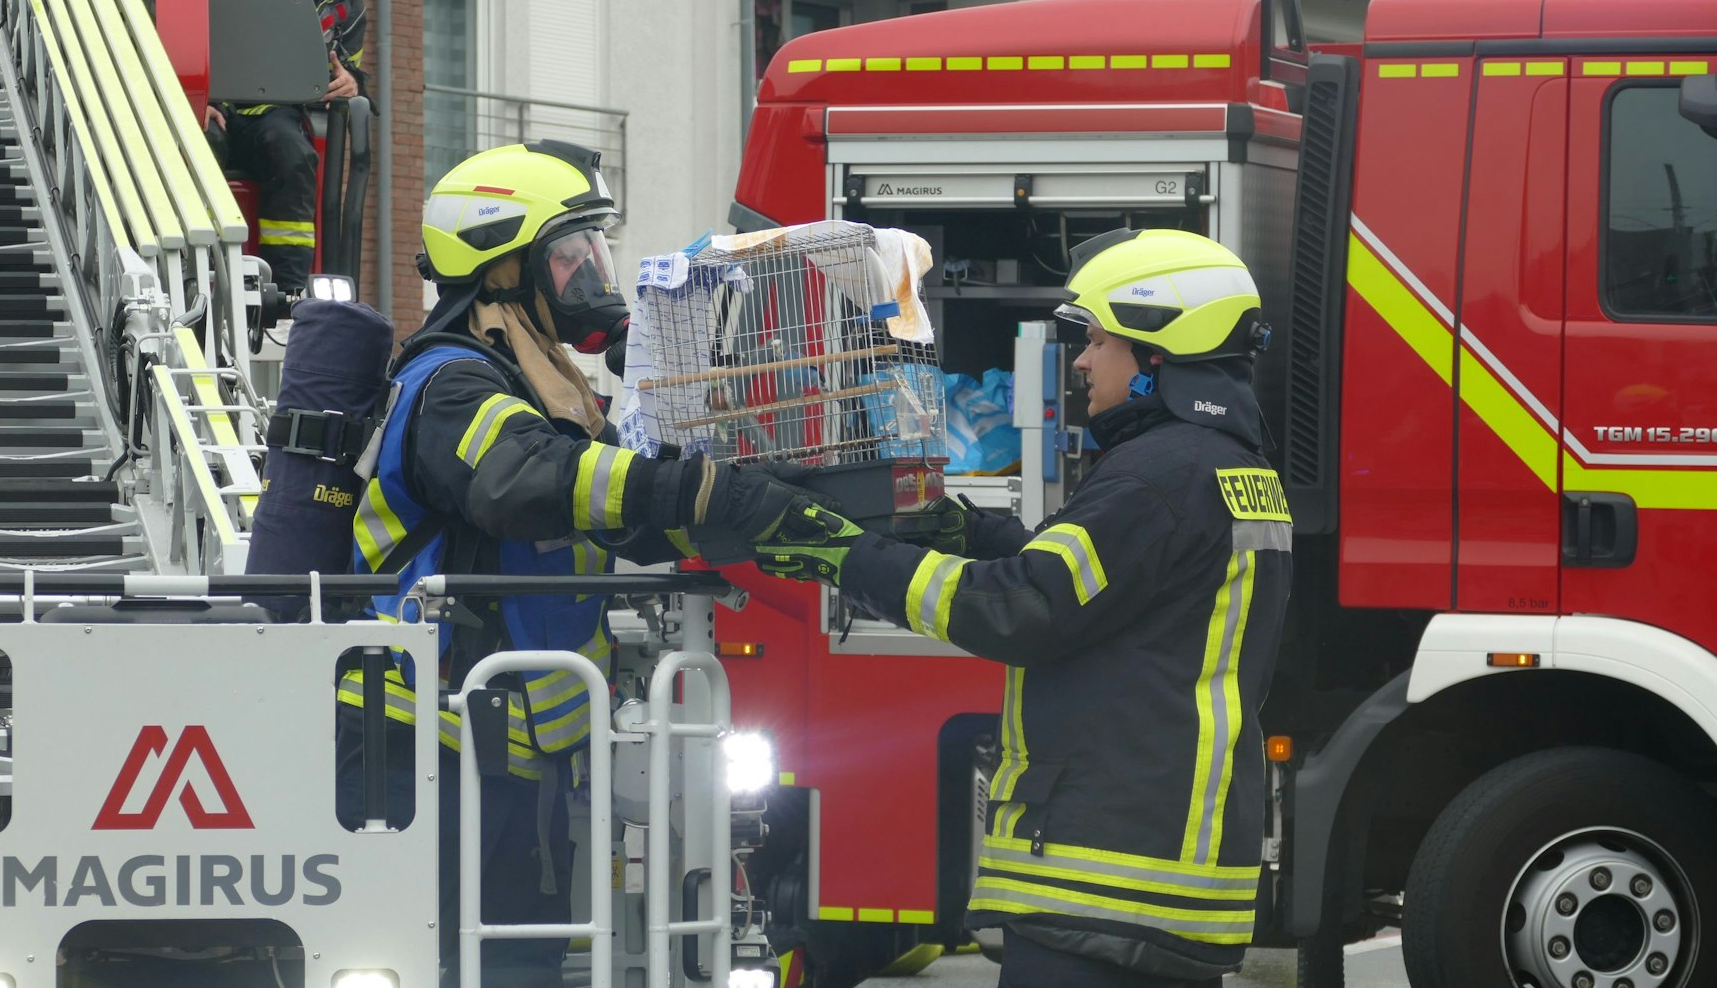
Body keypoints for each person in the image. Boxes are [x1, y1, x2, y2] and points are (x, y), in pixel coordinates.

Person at [752, 229, 1294, 988]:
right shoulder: (1230, 467)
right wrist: (963, 527)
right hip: (1164, 872)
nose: (1079, 360)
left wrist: (847, 556)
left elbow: (1021, 608)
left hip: (1102, 882)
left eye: (1098, 340)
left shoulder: (1157, 477)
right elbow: (1081, 581)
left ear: (1156, 354)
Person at [333, 140, 810, 986]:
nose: (593, 274)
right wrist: (683, 489)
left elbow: (622, 521)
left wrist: (748, 494)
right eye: (570, 254)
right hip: (421, 749)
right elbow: (526, 483)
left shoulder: (544, 389)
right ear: (504, 270)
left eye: (595, 249)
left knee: (523, 963)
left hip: (519, 753)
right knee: (434, 963)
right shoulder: (451, 386)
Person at [205, 0, 378, 292]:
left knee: (293, 154)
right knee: (202, 144)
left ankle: (288, 290)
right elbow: (195, 30)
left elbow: (349, 71)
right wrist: (198, 102)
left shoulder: (347, 6)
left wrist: (352, 83)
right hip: (218, 109)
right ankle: (201, 268)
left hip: (279, 117)